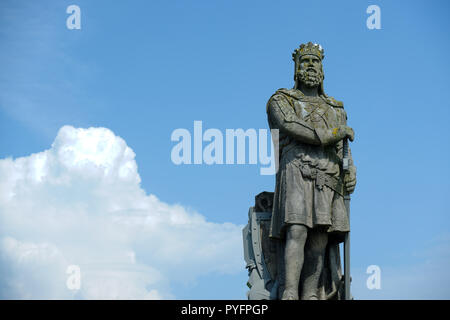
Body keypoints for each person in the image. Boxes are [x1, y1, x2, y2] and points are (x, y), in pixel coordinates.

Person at [266, 42, 357, 300]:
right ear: (296, 69)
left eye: (315, 61)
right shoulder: (281, 100)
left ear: (322, 69)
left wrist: (351, 171)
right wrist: (334, 133)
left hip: (328, 175)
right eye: (304, 61)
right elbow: (293, 126)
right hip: (297, 169)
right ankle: (290, 293)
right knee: (297, 230)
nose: (310, 66)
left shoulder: (336, 108)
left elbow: (344, 151)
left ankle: (311, 295)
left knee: (320, 239)